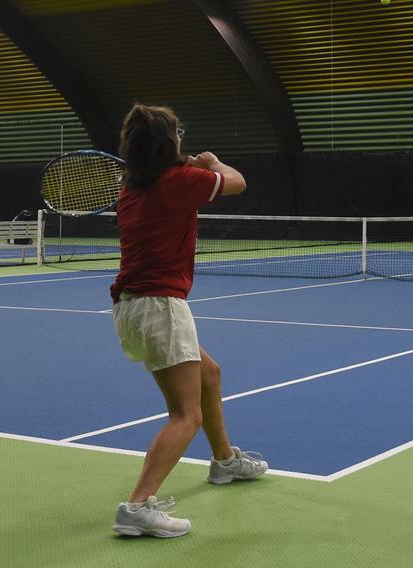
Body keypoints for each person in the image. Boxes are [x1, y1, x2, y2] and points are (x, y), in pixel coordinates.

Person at [110, 103, 266, 539]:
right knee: (185, 416)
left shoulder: (131, 187)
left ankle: (224, 462)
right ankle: (137, 506)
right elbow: (237, 182)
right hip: (160, 307)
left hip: (132, 307)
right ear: (169, 143)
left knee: (209, 373)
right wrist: (214, 163)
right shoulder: (180, 181)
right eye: (178, 132)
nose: (182, 137)